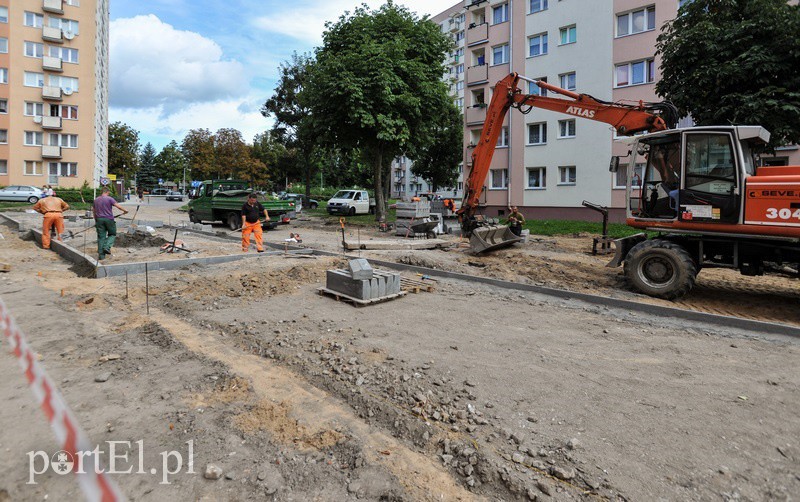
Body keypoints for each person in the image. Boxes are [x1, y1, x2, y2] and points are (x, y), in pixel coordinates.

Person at [92, 187, 128, 260]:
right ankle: (107, 247)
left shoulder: (96, 200)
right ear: (107, 192)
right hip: (109, 219)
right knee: (112, 234)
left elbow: (94, 211)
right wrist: (125, 211)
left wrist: (96, 220)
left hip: (99, 220)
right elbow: (118, 206)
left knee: (101, 237)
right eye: (109, 192)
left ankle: (101, 256)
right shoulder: (109, 199)